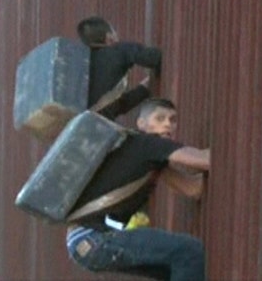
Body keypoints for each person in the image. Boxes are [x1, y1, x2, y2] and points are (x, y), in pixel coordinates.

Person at [65, 98, 210, 281]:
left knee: (172, 267)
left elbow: (193, 189)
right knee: (188, 251)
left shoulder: (148, 157)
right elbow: (205, 161)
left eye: (173, 120)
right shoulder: (145, 143)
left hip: (82, 245)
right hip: (94, 237)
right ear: (142, 123)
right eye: (160, 118)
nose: (167, 124)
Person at [76, 16, 162, 120]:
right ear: (109, 37)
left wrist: (143, 89)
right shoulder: (117, 51)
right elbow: (152, 58)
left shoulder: (79, 69)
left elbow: (117, 106)